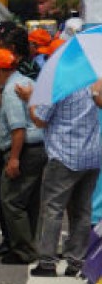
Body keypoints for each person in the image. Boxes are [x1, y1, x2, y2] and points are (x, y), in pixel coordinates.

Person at [19, 80, 102, 277]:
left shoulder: (60, 85)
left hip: (64, 155)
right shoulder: (94, 83)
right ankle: (77, 260)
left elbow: (40, 119)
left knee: (52, 209)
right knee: (82, 210)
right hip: (91, 155)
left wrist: (30, 99)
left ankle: (47, 261)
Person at [0, 48, 44, 265]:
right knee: (30, 201)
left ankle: (23, 251)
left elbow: (18, 129)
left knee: (11, 200)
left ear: (0, 70)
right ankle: (30, 245)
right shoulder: (26, 81)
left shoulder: (11, 91)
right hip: (39, 148)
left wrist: (14, 158)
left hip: (25, 149)